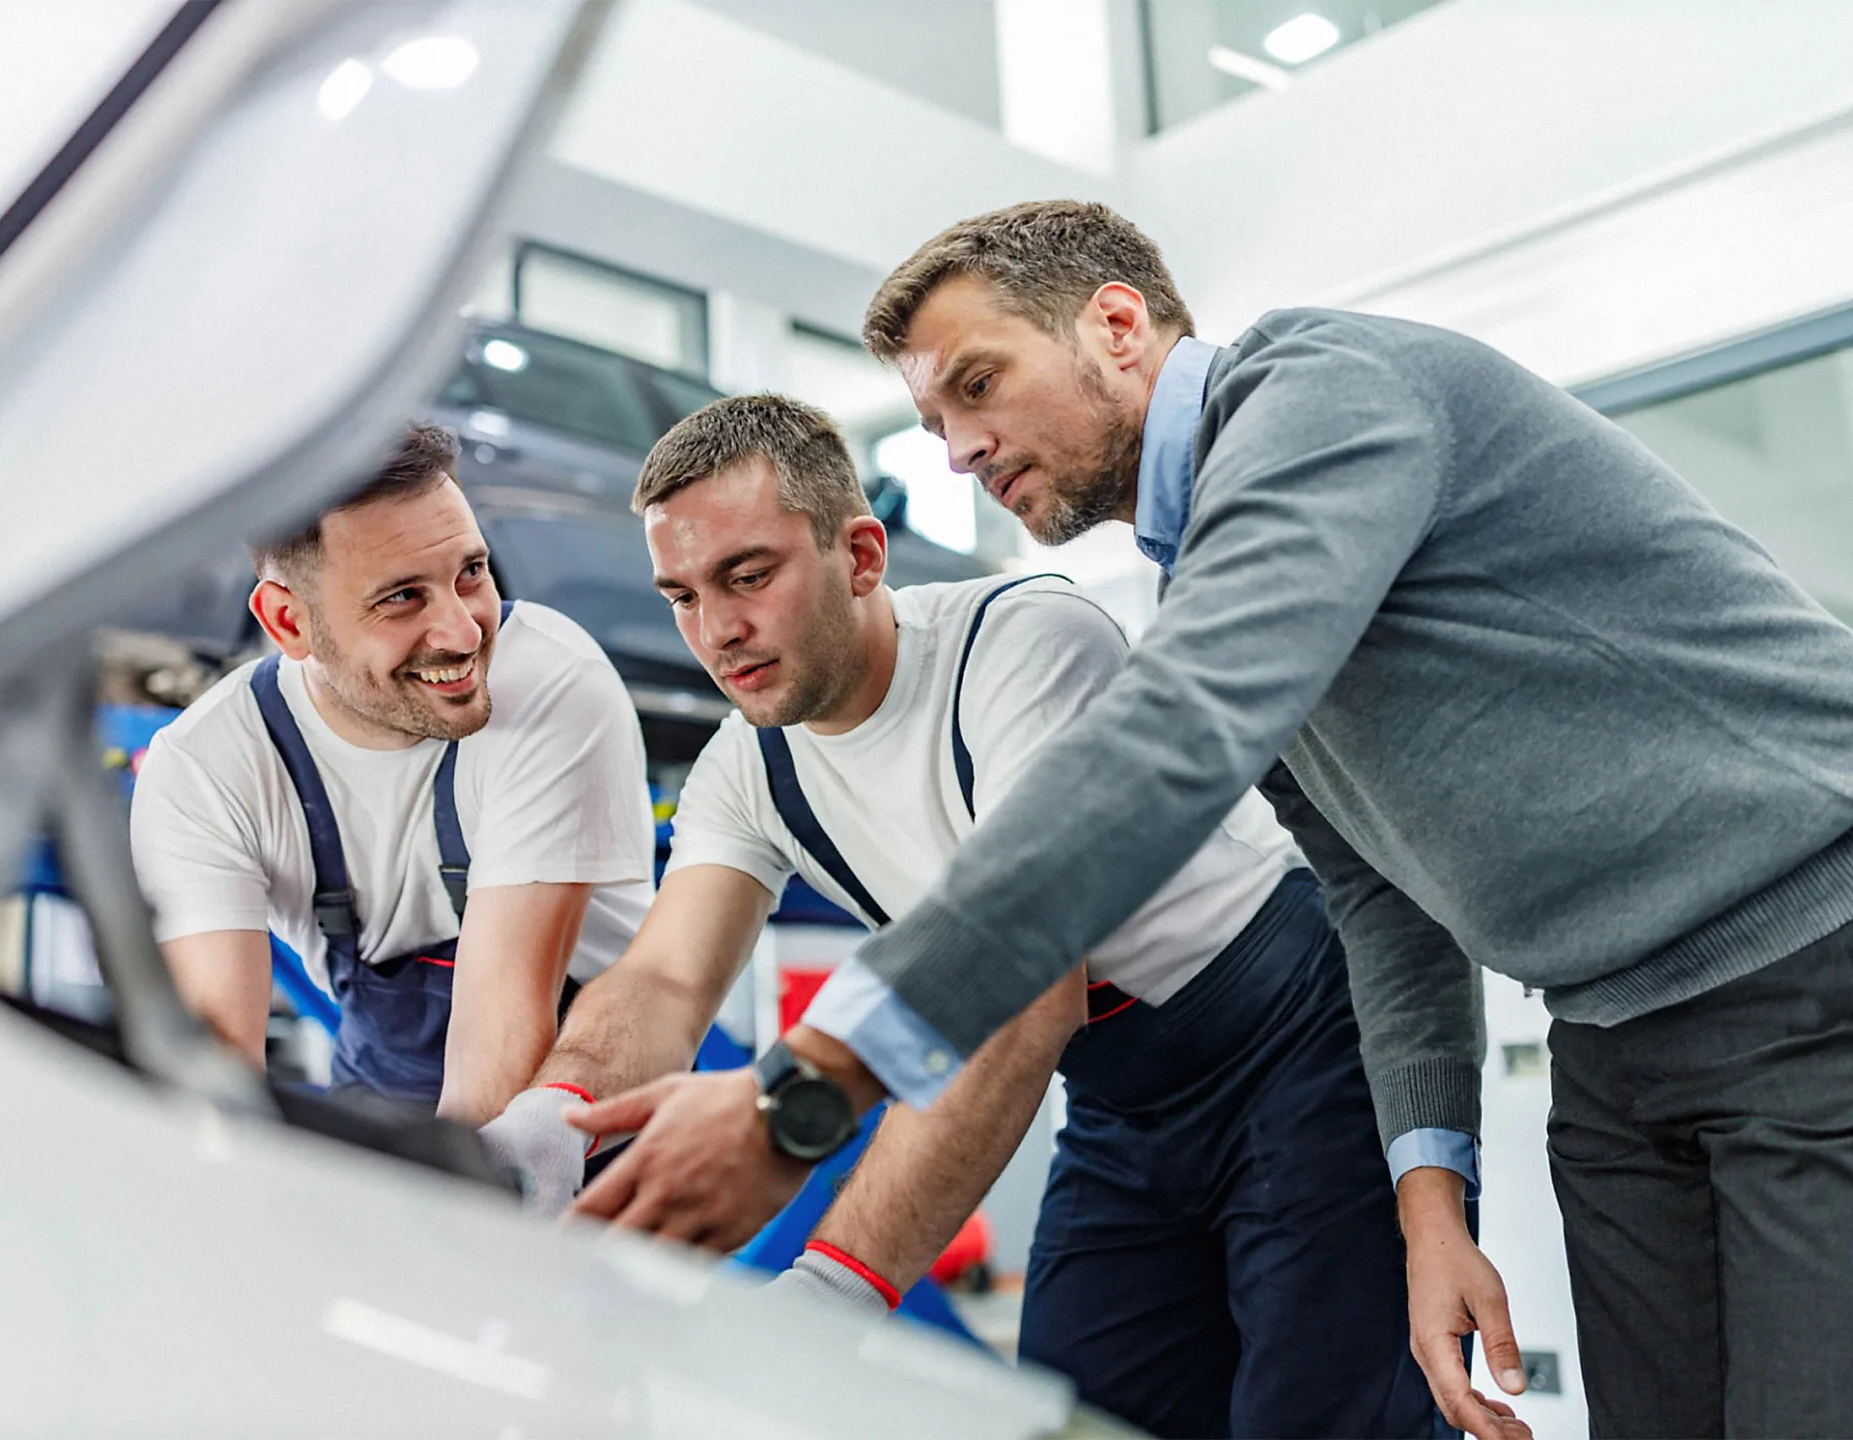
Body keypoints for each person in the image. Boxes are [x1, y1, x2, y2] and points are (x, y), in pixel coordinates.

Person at [569, 201, 1853, 1440]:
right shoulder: (1204, 566)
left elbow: (1179, 738)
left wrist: (813, 1084)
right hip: (1611, 1039)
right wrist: (1430, 1198)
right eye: (933, 418)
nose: (956, 450)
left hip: (1808, 963)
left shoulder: (1324, 391)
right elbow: (1381, 892)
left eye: (978, 384)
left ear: (1118, 327)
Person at [490, 392, 1434, 1438]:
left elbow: (1032, 984)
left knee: (1327, 1420)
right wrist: (549, 1120)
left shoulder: (1025, 641)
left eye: (748, 576)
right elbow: (665, 979)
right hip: (1122, 1105)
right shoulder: (747, 765)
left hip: (1299, 1043)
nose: (718, 630)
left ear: (860, 553)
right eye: (682, 594)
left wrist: (832, 1290)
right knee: (1082, 1413)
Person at [130, 423, 654, 1144]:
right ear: (289, 621)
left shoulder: (552, 682)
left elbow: (502, 1026)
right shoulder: (205, 766)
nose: (465, 632)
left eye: (471, 572)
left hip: (593, 1112)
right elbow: (217, 1075)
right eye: (402, 598)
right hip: (390, 1094)